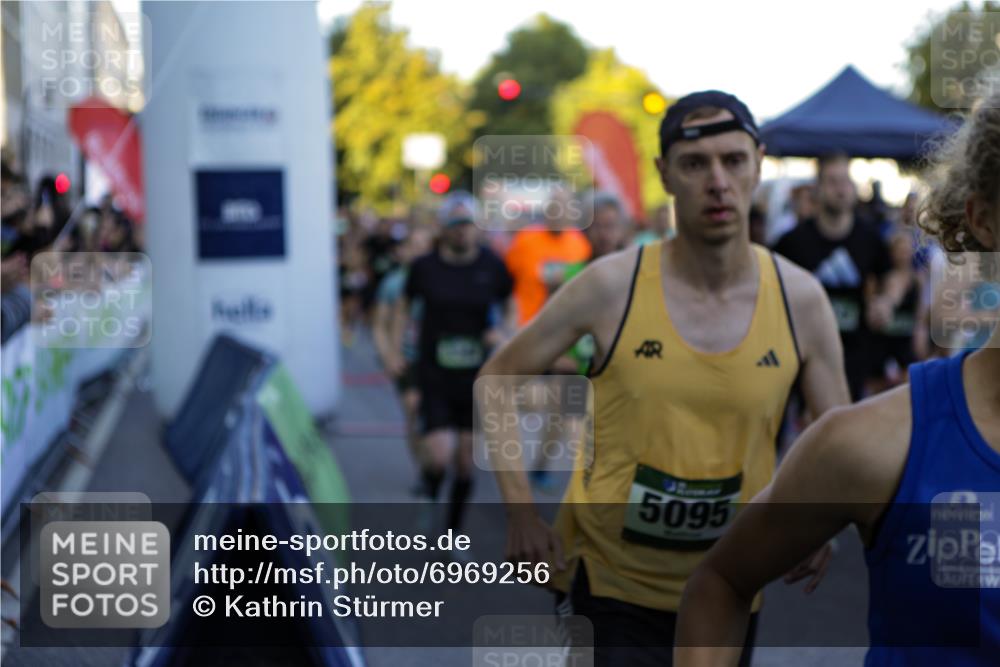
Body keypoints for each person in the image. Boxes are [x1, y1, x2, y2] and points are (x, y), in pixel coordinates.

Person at [480, 90, 850, 667]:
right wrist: (521, 511)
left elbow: (838, 434)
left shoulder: (800, 299)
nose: (718, 182)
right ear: (665, 175)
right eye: (695, 164)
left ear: (758, 164)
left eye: (733, 160)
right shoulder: (611, 286)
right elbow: (498, 377)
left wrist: (820, 518)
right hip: (610, 583)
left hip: (729, 582)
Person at [675, 91, 1000, 667]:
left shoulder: (870, 244)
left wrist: (890, 296)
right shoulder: (876, 444)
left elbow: (892, 273)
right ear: (983, 219)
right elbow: (720, 582)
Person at [402, 192, 515, 543]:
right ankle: (430, 492)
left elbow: (509, 302)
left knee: (466, 462)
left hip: (477, 378)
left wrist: (503, 333)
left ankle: (452, 535)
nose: (462, 230)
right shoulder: (425, 267)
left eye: (467, 223)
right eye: (455, 224)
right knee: (439, 455)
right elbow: (405, 312)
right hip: (434, 374)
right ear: (443, 227)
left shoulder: (492, 265)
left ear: (477, 227)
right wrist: (402, 358)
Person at [774, 153, 895, 401]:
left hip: (855, 354)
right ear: (818, 188)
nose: (840, 189)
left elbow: (893, 274)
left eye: (845, 181)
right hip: (804, 353)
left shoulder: (869, 238)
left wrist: (886, 301)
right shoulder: (793, 241)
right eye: (832, 181)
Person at [372, 226, 434, 493]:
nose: (418, 251)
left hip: (437, 360)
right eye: (413, 245)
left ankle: (436, 462)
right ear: (403, 251)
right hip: (407, 358)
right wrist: (388, 355)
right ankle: (424, 471)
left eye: (424, 246)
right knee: (413, 409)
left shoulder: (441, 278)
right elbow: (379, 325)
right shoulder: (393, 283)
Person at [504, 185, 592, 327]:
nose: (558, 214)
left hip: (563, 325)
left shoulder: (580, 244)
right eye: (554, 207)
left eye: (563, 208)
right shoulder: (525, 239)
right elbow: (506, 280)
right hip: (528, 323)